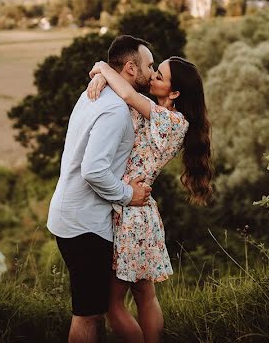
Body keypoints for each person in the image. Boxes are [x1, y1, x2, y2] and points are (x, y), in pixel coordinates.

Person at [86, 54, 213, 343]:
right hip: (141, 212)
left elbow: (128, 93)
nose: (152, 76)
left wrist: (103, 67)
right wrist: (103, 76)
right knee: (145, 294)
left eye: (159, 76)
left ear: (175, 93)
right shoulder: (158, 113)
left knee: (112, 303)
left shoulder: (171, 121)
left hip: (130, 212)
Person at [47, 35, 157, 343]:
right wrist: (129, 196)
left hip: (73, 217)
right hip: (85, 227)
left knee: (92, 309)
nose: (152, 71)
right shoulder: (114, 111)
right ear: (131, 68)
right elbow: (93, 170)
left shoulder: (94, 94)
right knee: (87, 314)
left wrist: (100, 71)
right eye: (149, 65)